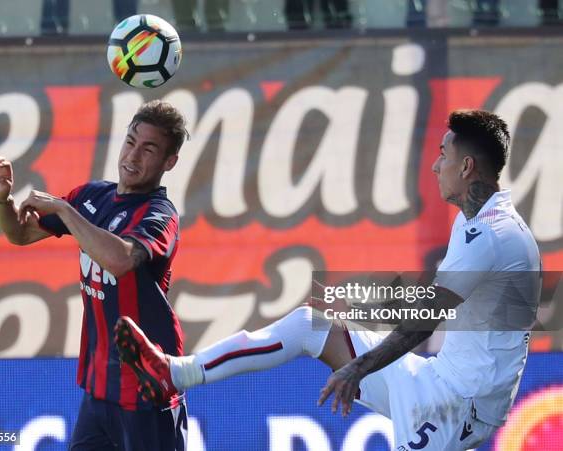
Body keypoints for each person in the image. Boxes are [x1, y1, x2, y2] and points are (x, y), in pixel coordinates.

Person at [115, 109, 541, 450]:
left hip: (458, 408)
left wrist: (356, 365)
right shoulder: (479, 221)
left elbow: (424, 319)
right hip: (437, 380)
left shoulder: (490, 234)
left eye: (444, 155)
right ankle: (177, 373)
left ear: (466, 166)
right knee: (309, 324)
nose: (435, 165)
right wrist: (361, 311)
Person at [0, 100, 189, 451]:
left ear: (169, 162)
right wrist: (3, 201)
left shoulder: (159, 215)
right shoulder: (93, 196)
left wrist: (64, 210)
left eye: (148, 149)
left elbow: (121, 260)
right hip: (99, 390)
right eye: (130, 141)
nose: (132, 156)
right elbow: (20, 234)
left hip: (147, 392)